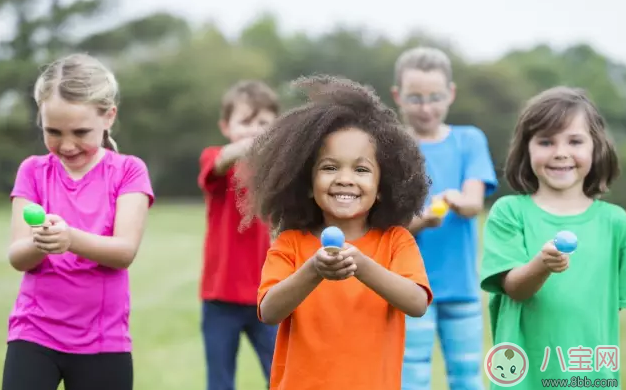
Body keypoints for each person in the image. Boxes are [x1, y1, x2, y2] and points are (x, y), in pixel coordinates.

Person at [236, 75, 434, 390]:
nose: (344, 179)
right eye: (329, 167)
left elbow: (416, 303)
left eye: (361, 169)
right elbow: (269, 311)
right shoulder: (291, 243)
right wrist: (313, 270)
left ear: (382, 187)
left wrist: (363, 266)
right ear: (306, 183)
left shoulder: (396, 241)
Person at [3, 53, 154, 390]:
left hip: (104, 341)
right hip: (34, 333)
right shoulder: (33, 170)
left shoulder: (129, 171)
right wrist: (41, 243)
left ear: (109, 117)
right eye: (52, 131)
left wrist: (69, 238)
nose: (66, 144)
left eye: (80, 132)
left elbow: (124, 251)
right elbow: (17, 256)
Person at [480, 86, 623, 389]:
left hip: (591, 377)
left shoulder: (616, 223)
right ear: (526, 149)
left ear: (596, 148)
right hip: (525, 379)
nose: (560, 152)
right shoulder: (510, 212)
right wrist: (542, 264)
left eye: (574, 141)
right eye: (546, 141)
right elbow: (515, 289)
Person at [392, 46, 497, 390]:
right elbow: (387, 224)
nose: (426, 107)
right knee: (412, 377)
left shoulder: (469, 140)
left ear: (450, 93)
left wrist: (455, 200)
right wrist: (421, 220)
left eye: (435, 97)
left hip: (462, 287)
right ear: (398, 96)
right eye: (415, 98)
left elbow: (472, 203)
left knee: (467, 378)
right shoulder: (390, 148)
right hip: (409, 287)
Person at [197, 80, 280, 390]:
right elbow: (218, 164)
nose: (254, 130)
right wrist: (248, 145)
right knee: (219, 381)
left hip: (270, 295)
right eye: (245, 122)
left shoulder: (281, 169)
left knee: (281, 377)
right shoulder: (215, 158)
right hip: (220, 298)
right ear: (225, 126)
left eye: (263, 123)